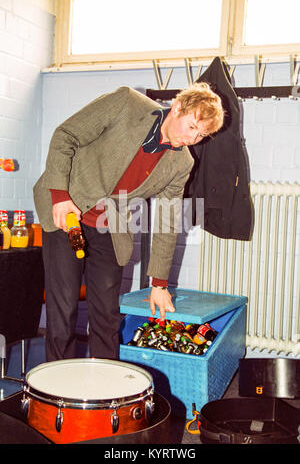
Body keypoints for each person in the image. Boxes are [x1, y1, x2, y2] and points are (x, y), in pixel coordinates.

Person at [33, 83, 224, 362]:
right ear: (177, 108)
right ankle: (57, 393)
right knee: (63, 311)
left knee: (107, 316)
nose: (194, 138)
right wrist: (60, 196)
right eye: (192, 126)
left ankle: (108, 391)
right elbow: (65, 135)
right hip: (68, 209)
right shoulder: (126, 104)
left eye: (202, 134)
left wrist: (159, 283)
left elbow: (168, 221)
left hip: (109, 226)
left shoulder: (182, 163)